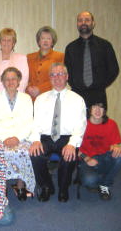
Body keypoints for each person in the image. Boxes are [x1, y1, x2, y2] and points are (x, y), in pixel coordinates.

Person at [29, 63, 87, 202]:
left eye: (60, 74)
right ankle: (46, 186)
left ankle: (63, 188)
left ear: (67, 77)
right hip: (46, 137)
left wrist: (72, 144)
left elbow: (81, 125)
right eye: (53, 74)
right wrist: (36, 140)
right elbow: (35, 122)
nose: (57, 77)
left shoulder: (77, 99)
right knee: (35, 154)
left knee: (69, 156)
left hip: (67, 137)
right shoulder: (41, 99)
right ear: (50, 78)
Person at [0, 67, 35, 201]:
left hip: (20, 137)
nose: (10, 82)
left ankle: (20, 185)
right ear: (2, 82)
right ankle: (1, 187)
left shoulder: (26, 98)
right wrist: (4, 138)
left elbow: (29, 122)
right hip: (0, 137)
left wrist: (17, 138)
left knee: (25, 152)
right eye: (7, 79)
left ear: (19, 81)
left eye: (13, 79)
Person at [64, 11, 119, 109]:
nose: (83, 23)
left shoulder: (105, 46)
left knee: (97, 124)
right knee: (76, 124)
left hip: (98, 95)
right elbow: (67, 72)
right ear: (77, 24)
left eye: (87, 20)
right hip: (77, 95)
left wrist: (100, 85)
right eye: (80, 20)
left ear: (93, 23)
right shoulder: (70, 48)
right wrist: (77, 85)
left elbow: (114, 69)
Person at [79, 102, 121, 200]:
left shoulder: (111, 123)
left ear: (104, 111)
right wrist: (86, 158)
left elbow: (115, 143)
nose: (98, 110)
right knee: (90, 180)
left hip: (104, 157)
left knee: (119, 158)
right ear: (90, 110)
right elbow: (75, 148)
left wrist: (116, 146)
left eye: (101, 107)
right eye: (94, 107)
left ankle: (105, 185)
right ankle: (97, 176)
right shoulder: (82, 125)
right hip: (87, 158)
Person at [0, 28, 29, 94]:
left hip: (16, 98)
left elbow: (24, 81)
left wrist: (13, 95)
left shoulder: (22, 58)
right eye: (3, 40)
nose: (6, 43)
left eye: (9, 40)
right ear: (0, 42)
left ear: (13, 43)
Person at [26, 26, 64, 100]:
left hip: (50, 96)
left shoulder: (60, 56)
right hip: (31, 98)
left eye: (48, 38)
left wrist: (40, 89)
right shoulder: (29, 57)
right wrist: (28, 88)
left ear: (52, 41)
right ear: (38, 41)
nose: (45, 41)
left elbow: (59, 78)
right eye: (43, 38)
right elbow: (25, 76)